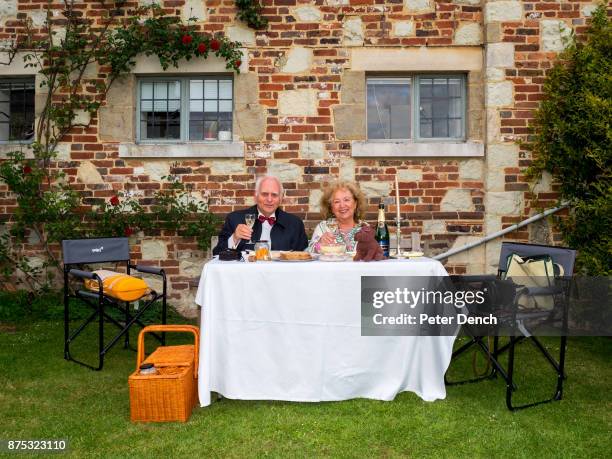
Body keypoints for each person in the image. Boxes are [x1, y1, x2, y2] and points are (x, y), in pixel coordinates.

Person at [212, 175, 309, 255]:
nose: (269, 199)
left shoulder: (295, 224)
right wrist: (234, 238)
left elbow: (304, 257)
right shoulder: (235, 219)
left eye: (274, 195)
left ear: (281, 198)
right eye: (265, 194)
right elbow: (216, 254)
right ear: (256, 196)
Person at [307, 180, 367, 253]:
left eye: (346, 200)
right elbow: (309, 252)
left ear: (355, 204)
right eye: (336, 202)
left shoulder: (365, 228)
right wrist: (319, 244)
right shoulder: (323, 227)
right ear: (331, 207)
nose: (342, 205)